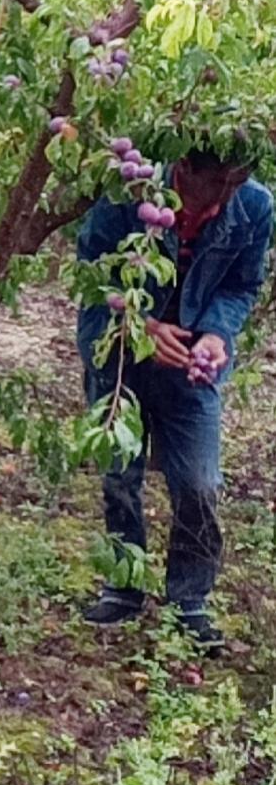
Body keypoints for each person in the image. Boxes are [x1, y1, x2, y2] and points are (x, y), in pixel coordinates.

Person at [77, 140, 272, 649]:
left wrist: (216, 334)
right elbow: (90, 274)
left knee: (199, 483)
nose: (222, 200)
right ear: (183, 167)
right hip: (120, 354)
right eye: (214, 186)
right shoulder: (129, 192)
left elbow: (241, 286)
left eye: (235, 185)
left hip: (190, 365)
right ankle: (123, 586)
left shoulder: (254, 206)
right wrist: (141, 326)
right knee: (121, 475)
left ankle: (190, 601)